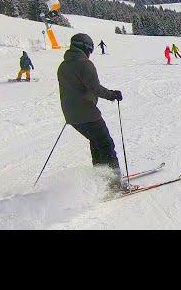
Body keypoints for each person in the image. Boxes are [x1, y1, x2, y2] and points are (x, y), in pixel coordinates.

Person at [57, 33, 133, 192]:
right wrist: (112, 95)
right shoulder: (84, 64)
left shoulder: (63, 65)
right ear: (86, 48)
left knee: (96, 143)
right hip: (87, 113)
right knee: (106, 145)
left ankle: (101, 179)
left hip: (72, 116)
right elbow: (95, 88)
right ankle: (114, 184)